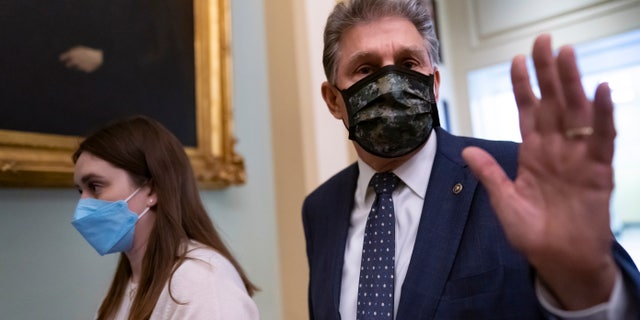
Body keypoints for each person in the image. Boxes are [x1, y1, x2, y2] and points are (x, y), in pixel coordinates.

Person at [302, 0, 640, 319]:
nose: (391, 83)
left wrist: (587, 283)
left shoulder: (514, 174)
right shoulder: (320, 209)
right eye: (366, 68)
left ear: (434, 85)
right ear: (334, 100)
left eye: (408, 63)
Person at [70, 115, 259, 319]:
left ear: (152, 190)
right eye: (81, 191)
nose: (83, 205)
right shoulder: (126, 283)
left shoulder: (202, 282)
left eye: (95, 186)